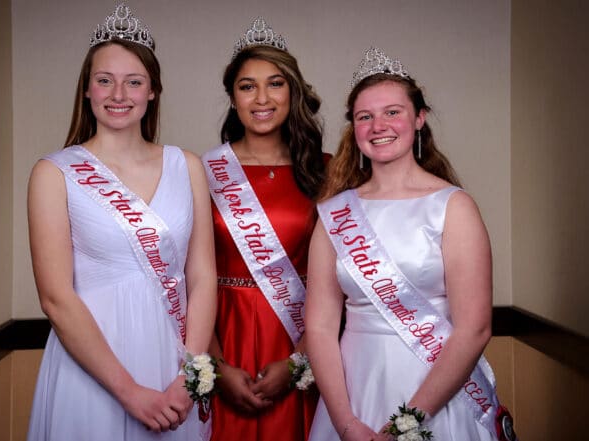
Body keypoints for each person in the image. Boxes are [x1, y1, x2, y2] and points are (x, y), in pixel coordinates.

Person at [26, 3, 216, 440]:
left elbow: (202, 276)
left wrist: (190, 377)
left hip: (173, 365)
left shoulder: (186, 165)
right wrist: (129, 391)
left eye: (134, 82)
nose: (118, 94)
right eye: (104, 80)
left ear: (152, 91)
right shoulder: (54, 173)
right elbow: (55, 297)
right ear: (87, 91)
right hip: (93, 367)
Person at [307, 47, 508, 441]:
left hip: (437, 391)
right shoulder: (334, 213)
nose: (378, 125)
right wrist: (345, 422)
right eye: (365, 116)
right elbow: (319, 325)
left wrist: (409, 422)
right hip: (353, 393)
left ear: (419, 118)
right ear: (354, 127)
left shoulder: (453, 206)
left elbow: (475, 329)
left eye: (393, 112)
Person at [200, 17, 327, 441]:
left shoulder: (325, 172)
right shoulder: (203, 172)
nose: (261, 98)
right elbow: (187, 276)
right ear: (232, 97)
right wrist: (215, 366)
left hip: (301, 336)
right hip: (221, 333)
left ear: (292, 91)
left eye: (275, 83)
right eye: (246, 85)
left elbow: (342, 281)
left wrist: (299, 362)